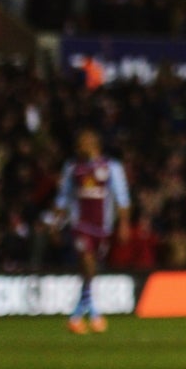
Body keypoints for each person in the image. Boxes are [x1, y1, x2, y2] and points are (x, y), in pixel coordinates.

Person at [55, 129, 131, 333]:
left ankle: (78, 313)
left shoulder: (111, 167)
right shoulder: (72, 168)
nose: (80, 146)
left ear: (94, 143)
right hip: (80, 225)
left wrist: (123, 224)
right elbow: (63, 197)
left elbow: (122, 198)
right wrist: (56, 222)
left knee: (90, 268)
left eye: (84, 141)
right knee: (87, 261)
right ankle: (94, 314)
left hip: (102, 227)